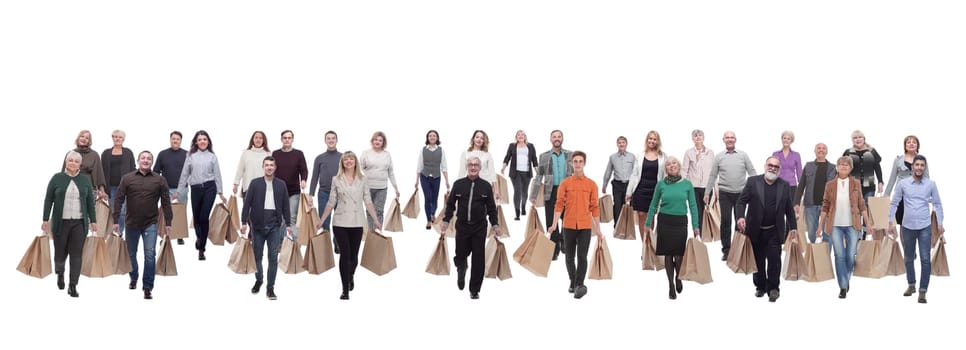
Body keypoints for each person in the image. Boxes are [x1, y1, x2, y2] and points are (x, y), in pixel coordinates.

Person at [318, 151, 382, 300]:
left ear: (355, 162)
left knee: (354, 256)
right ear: (342, 162)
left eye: (351, 158)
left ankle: (351, 275)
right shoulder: (336, 179)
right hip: (340, 221)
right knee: (345, 255)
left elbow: (368, 201)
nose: (348, 161)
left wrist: (376, 220)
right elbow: (331, 201)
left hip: (357, 221)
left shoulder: (363, 179)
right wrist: (322, 220)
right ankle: (345, 289)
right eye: (345, 159)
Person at [112, 151, 173, 300]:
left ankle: (147, 287)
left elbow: (166, 203)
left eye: (149, 159)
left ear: (152, 162)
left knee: (150, 255)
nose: (146, 161)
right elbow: (118, 199)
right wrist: (115, 221)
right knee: (131, 254)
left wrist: (168, 222)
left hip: (150, 223)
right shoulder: (127, 178)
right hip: (131, 223)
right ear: (138, 161)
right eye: (143, 158)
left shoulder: (159, 180)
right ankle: (134, 276)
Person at [736, 157, 797, 303]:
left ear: (779, 170)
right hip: (755, 230)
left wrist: (793, 227)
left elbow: (789, 208)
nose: (772, 168)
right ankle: (760, 286)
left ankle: (773, 288)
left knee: (775, 260)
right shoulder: (753, 182)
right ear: (765, 166)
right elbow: (741, 201)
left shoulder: (784, 185)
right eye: (770, 165)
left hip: (774, 231)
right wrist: (740, 217)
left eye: (776, 166)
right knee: (758, 261)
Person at [441, 156, 501, 300]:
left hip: (479, 228)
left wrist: (495, 224)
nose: (473, 167)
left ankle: (474, 290)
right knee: (460, 255)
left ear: (480, 168)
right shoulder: (459, 184)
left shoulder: (486, 186)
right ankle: (461, 269)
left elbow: (492, 208)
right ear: (467, 167)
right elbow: (450, 205)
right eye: (470, 165)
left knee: (478, 259)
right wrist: (446, 220)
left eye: (476, 165)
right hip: (462, 227)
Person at [546, 151, 602, 299]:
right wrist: (553, 225)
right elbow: (559, 206)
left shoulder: (591, 185)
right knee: (569, 256)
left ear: (584, 163)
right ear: (571, 164)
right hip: (568, 225)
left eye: (580, 161)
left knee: (582, 256)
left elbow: (595, 207)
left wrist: (599, 229)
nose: (577, 164)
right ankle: (573, 282)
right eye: (575, 161)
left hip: (585, 226)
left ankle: (578, 284)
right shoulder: (565, 184)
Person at [888, 155, 943, 304]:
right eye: (916, 165)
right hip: (907, 226)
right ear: (912, 167)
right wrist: (890, 222)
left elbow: (937, 204)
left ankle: (923, 291)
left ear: (924, 168)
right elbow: (894, 203)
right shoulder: (903, 184)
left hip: (925, 226)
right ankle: (911, 284)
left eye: (922, 165)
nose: (919, 167)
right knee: (908, 258)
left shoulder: (931, 184)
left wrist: (939, 223)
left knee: (925, 259)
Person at [43, 151, 98, 298]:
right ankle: (60, 273)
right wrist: (45, 219)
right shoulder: (57, 178)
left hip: (79, 223)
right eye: (70, 160)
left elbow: (90, 203)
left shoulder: (85, 180)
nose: (72, 163)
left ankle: (73, 285)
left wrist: (93, 221)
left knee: (76, 254)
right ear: (66, 162)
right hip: (61, 222)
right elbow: (48, 199)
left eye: (76, 161)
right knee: (60, 254)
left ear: (80, 164)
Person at [643, 157, 699, 300]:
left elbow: (693, 206)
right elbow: (653, 204)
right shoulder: (661, 184)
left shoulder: (687, 184)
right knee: (668, 255)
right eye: (668, 164)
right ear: (665, 169)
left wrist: (696, 226)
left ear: (679, 166)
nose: (671, 166)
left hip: (680, 222)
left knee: (679, 256)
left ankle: (678, 278)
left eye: (674, 163)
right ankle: (670, 285)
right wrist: (648, 223)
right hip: (664, 221)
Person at [817, 156, 872, 299]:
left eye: (846, 165)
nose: (843, 167)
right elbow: (825, 206)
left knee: (850, 254)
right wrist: (819, 226)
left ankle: (845, 278)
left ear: (850, 168)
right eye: (841, 164)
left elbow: (861, 205)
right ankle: (842, 286)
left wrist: (868, 224)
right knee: (839, 255)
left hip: (853, 224)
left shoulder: (856, 183)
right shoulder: (829, 185)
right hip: (834, 224)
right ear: (837, 167)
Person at [240, 156, 293, 301]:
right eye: (267, 165)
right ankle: (259, 279)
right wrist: (244, 222)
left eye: (272, 165)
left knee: (273, 258)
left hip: (275, 226)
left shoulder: (281, 184)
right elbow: (247, 204)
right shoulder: (255, 183)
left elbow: (285, 206)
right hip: (257, 226)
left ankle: (270, 288)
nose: (269, 167)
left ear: (275, 168)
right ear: (263, 167)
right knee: (257, 257)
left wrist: (288, 224)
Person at [175, 130, 227, 261]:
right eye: (200, 139)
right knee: (197, 217)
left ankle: (202, 248)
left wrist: (220, 192)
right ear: (196, 142)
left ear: (208, 141)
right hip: (196, 189)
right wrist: (178, 191)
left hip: (210, 187)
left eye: (204, 139)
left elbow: (217, 175)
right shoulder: (190, 156)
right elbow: (185, 174)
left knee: (204, 217)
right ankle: (199, 237)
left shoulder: (212, 157)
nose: (202, 141)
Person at [705, 130, 756, 261]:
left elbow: (752, 172)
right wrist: (707, 192)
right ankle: (726, 250)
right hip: (725, 194)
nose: (729, 139)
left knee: (740, 222)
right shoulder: (719, 156)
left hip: (741, 194)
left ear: (735, 140)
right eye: (727, 137)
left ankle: (738, 250)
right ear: (723, 140)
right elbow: (712, 175)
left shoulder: (743, 155)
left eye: (732, 137)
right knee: (726, 221)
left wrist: (759, 189)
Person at [529, 130, 573, 260]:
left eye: (559, 136)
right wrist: (534, 195)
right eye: (554, 137)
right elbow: (539, 177)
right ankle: (554, 248)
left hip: (567, 191)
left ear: (562, 138)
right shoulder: (544, 156)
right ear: (551, 139)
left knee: (567, 218)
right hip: (550, 191)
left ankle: (564, 242)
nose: (557, 139)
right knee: (550, 220)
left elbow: (577, 173)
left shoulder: (570, 155)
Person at [627, 131, 667, 244]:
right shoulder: (640, 155)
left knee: (652, 216)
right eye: (650, 138)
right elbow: (634, 174)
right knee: (641, 215)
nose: (652, 141)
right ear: (647, 140)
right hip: (640, 190)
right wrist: (628, 192)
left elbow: (664, 175)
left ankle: (650, 242)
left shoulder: (663, 156)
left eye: (654, 139)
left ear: (657, 141)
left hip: (655, 191)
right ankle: (644, 244)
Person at [843, 130, 883, 239]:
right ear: (852, 140)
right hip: (853, 188)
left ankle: (866, 234)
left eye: (860, 137)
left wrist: (880, 181)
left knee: (866, 210)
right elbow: (842, 168)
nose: (858, 139)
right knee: (855, 211)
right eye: (855, 138)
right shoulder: (848, 152)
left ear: (864, 138)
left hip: (869, 187)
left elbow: (877, 167)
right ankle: (857, 235)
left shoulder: (872, 151)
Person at [794, 143, 836, 245]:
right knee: (812, 233)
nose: (821, 150)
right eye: (818, 148)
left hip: (827, 205)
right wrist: (796, 203)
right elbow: (801, 185)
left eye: (823, 148)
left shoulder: (833, 167)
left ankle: (825, 257)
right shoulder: (808, 166)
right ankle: (815, 255)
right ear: (815, 151)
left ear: (827, 151)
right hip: (810, 204)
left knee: (827, 233)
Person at [271, 130, 309, 243]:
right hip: (278, 191)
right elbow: (271, 169)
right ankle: (280, 244)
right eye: (285, 138)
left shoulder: (298, 154)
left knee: (292, 218)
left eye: (289, 138)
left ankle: (294, 244)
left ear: (292, 139)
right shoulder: (275, 154)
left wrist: (303, 180)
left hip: (294, 191)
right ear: (281, 139)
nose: (287, 140)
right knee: (281, 219)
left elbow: (304, 169)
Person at [884, 135, 928, 225]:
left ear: (917, 145)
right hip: (901, 195)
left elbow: (926, 178)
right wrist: (886, 195)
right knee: (902, 221)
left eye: (914, 142)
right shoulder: (898, 160)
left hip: (917, 195)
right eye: (908, 142)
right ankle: (904, 239)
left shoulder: (922, 160)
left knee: (916, 221)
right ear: (905, 146)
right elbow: (892, 178)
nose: (911, 144)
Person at [360, 131, 401, 230]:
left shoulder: (387, 155)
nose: (377, 142)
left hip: (382, 188)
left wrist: (396, 188)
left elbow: (390, 172)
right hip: (367, 187)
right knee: (369, 211)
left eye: (380, 140)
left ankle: (378, 233)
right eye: (375, 139)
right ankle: (371, 232)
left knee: (379, 210)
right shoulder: (366, 153)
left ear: (383, 143)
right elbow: (360, 168)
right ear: (372, 141)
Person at [154, 131, 188, 244]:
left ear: (181, 141)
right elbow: (156, 171)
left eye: (177, 139)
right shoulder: (163, 154)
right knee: (166, 212)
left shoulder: (187, 155)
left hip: (182, 189)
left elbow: (191, 172)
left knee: (180, 213)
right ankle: (165, 236)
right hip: (166, 189)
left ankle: (179, 235)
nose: (175, 141)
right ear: (170, 140)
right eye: (173, 138)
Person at [310, 131, 342, 252]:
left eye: (333, 138)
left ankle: (337, 243)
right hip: (324, 193)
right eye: (328, 138)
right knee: (324, 220)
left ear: (336, 140)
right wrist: (311, 194)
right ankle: (325, 245)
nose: (331, 140)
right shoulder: (319, 158)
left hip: (340, 194)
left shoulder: (342, 157)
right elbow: (314, 177)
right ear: (325, 141)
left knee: (339, 221)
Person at [102, 129, 135, 235]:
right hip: (110, 188)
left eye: (120, 137)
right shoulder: (106, 153)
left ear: (123, 139)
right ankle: (114, 232)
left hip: (125, 187)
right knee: (114, 211)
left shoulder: (128, 152)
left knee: (123, 211)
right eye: (115, 136)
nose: (117, 139)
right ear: (112, 138)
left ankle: (119, 233)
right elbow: (101, 172)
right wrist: (102, 189)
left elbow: (133, 169)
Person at [416, 130, 451, 229]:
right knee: (428, 198)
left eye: (434, 136)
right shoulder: (423, 150)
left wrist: (447, 181)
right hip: (424, 177)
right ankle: (428, 220)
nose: (432, 137)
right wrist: (416, 181)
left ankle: (432, 213)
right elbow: (419, 166)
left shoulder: (441, 150)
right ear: (427, 138)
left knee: (434, 199)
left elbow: (444, 166)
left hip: (436, 177)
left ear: (437, 138)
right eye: (430, 136)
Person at [501, 130, 538, 220]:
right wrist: (504, 167)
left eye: (522, 135)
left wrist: (537, 170)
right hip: (515, 172)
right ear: (516, 137)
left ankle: (523, 207)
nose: (520, 136)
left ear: (525, 137)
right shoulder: (512, 146)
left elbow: (534, 159)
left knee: (524, 192)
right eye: (518, 135)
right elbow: (507, 157)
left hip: (527, 172)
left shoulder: (530, 146)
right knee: (517, 191)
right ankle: (517, 213)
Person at [681, 130, 713, 233]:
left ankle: (705, 235)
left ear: (703, 138)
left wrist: (716, 188)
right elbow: (684, 170)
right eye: (695, 136)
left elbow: (714, 171)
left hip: (707, 188)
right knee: (696, 213)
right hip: (693, 188)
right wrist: (684, 187)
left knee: (706, 213)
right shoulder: (689, 152)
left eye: (700, 135)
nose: (698, 137)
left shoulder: (710, 152)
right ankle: (697, 236)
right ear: (692, 139)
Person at [602, 136, 635, 227]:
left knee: (629, 205)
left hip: (629, 184)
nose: (621, 144)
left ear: (626, 144)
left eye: (623, 142)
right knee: (617, 205)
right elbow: (608, 171)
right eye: (619, 142)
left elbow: (635, 173)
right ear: (617, 144)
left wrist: (635, 186)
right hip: (617, 184)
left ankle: (628, 226)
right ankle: (617, 226)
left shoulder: (632, 156)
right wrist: (604, 185)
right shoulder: (612, 157)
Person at [64, 130, 107, 200]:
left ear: (89, 141)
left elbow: (99, 174)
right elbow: (64, 172)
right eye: (82, 136)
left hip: (88, 188)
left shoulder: (94, 155)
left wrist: (102, 191)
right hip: (72, 187)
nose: (84, 139)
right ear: (78, 138)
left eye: (87, 138)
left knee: (87, 210)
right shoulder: (70, 154)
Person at [233, 131, 271, 198]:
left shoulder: (268, 154)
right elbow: (240, 169)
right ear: (253, 140)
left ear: (263, 140)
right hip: (248, 186)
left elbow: (271, 171)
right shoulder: (246, 153)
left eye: (260, 138)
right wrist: (236, 184)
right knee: (247, 208)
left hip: (263, 187)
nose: (258, 140)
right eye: (256, 137)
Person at [772, 130, 803, 196]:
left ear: (791, 141)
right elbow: (772, 170)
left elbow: (799, 172)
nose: (786, 140)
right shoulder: (775, 154)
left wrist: (801, 189)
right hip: (778, 185)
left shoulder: (796, 155)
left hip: (792, 186)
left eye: (788, 139)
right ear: (782, 139)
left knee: (791, 206)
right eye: (784, 138)